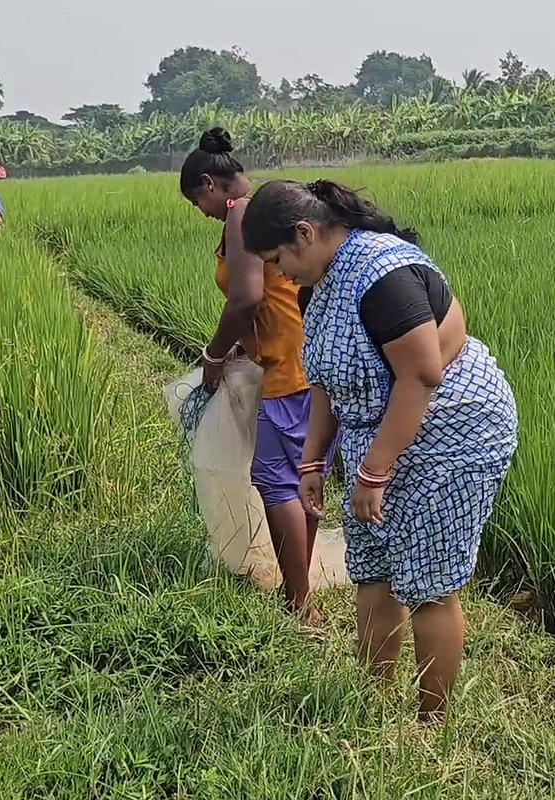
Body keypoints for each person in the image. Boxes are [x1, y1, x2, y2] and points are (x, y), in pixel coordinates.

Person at [239, 178, 518, 716]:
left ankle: (428, 722)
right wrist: (314, 457)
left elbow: (421, 375)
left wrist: (372, 475)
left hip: (453, 429)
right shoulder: (315, 283)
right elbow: (323, 376)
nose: (276, 273)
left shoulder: (383, 276)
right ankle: (373, 702)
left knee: (428, 581)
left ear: (305, 233)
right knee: (373, 566)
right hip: (382, 428)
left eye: (276, 258)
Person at [179, 127, 331, 627]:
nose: (198, 212)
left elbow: (246, 297)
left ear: (210, 183)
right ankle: (299, 589)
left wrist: (215, 354)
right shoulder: (256, 210)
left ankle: (299, 605)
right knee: (297, 475)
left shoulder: (243, 215)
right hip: (293, 354)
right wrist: (249, 342)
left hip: (293, 364)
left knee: (277, 480)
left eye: (196, 200)